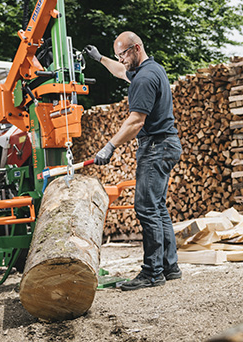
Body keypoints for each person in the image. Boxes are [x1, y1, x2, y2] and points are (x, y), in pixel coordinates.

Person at [84, 32, 183, 291]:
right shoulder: (150, 69)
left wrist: (109, 146)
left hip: (155, 148)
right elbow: (120, 71)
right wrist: (101, 59)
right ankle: (169, 267)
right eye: (118, 56)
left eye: (124, 54)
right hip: (166, 144)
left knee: (146, 208)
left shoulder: (144, 79)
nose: (122, 60)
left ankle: (152, 272)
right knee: (157, 207)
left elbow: (136, 121)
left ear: (136, 48)